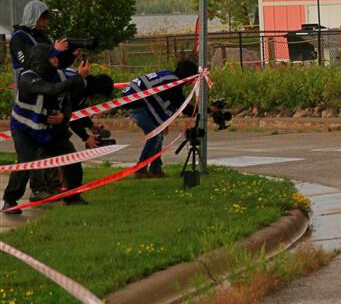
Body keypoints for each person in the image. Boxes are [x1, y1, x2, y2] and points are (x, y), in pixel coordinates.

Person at [1, 45, 91, 214]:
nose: (56, 60)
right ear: (41, 60)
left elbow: (67, 102)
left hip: (49, 129)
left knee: (72, 158)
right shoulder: (27, 77)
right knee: (26, 162)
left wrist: (63, 117)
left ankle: (73, 197)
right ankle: (10, 201)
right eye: (52, 57)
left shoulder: (60, 75)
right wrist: (78, 76)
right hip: (24, 129)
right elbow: (50, 90)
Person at [28, 70, 114, 202]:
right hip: (43, 123)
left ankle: (69, 195)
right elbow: (72, 116)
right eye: (99, 95)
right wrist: (86, 137)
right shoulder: (78, 87)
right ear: (96, 90)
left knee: (69, 160)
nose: (96, 99)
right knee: (43, 158)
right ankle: (40, 191)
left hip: (54, 124)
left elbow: (77, 111)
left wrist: (91, 125)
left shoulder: (83, 86)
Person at [122, 60, 199, 179]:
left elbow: (161, 101)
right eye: (193, 77)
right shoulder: (174, 83)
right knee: (155, 135)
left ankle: (155, 169)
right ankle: (141, 169)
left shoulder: (168, 76)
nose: (193, 81)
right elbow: (182, 106)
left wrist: (163, 122)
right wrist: (204, 110)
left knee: (159, 133)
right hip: (136, 104)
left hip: (135, 100)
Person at [11, 0, 77, 83]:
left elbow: (57, 64)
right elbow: (29, 63)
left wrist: (71, 55)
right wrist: (54, 51)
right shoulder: (19, 36)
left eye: (47, 18)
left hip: (49, 85)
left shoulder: (42, 36)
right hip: (30, 88)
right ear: (33, 16)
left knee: (77, 78)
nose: (47, 21)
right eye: (44, 18)